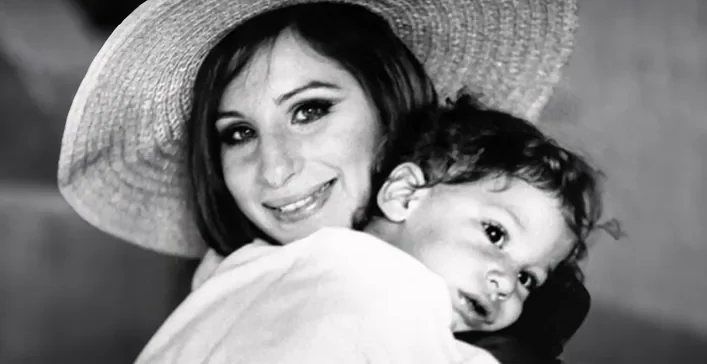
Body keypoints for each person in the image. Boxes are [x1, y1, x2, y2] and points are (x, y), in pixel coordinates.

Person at [57, 0, 586, 362]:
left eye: (309, 110)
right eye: (238, 133)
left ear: (389, 105)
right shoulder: (383, 286)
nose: (276, 169)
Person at [133, 94, 616, 363]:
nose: (506, 281)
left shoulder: (245, 261)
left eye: (529, 278)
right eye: (495, 234)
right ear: (405, 195)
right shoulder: (398, 291)